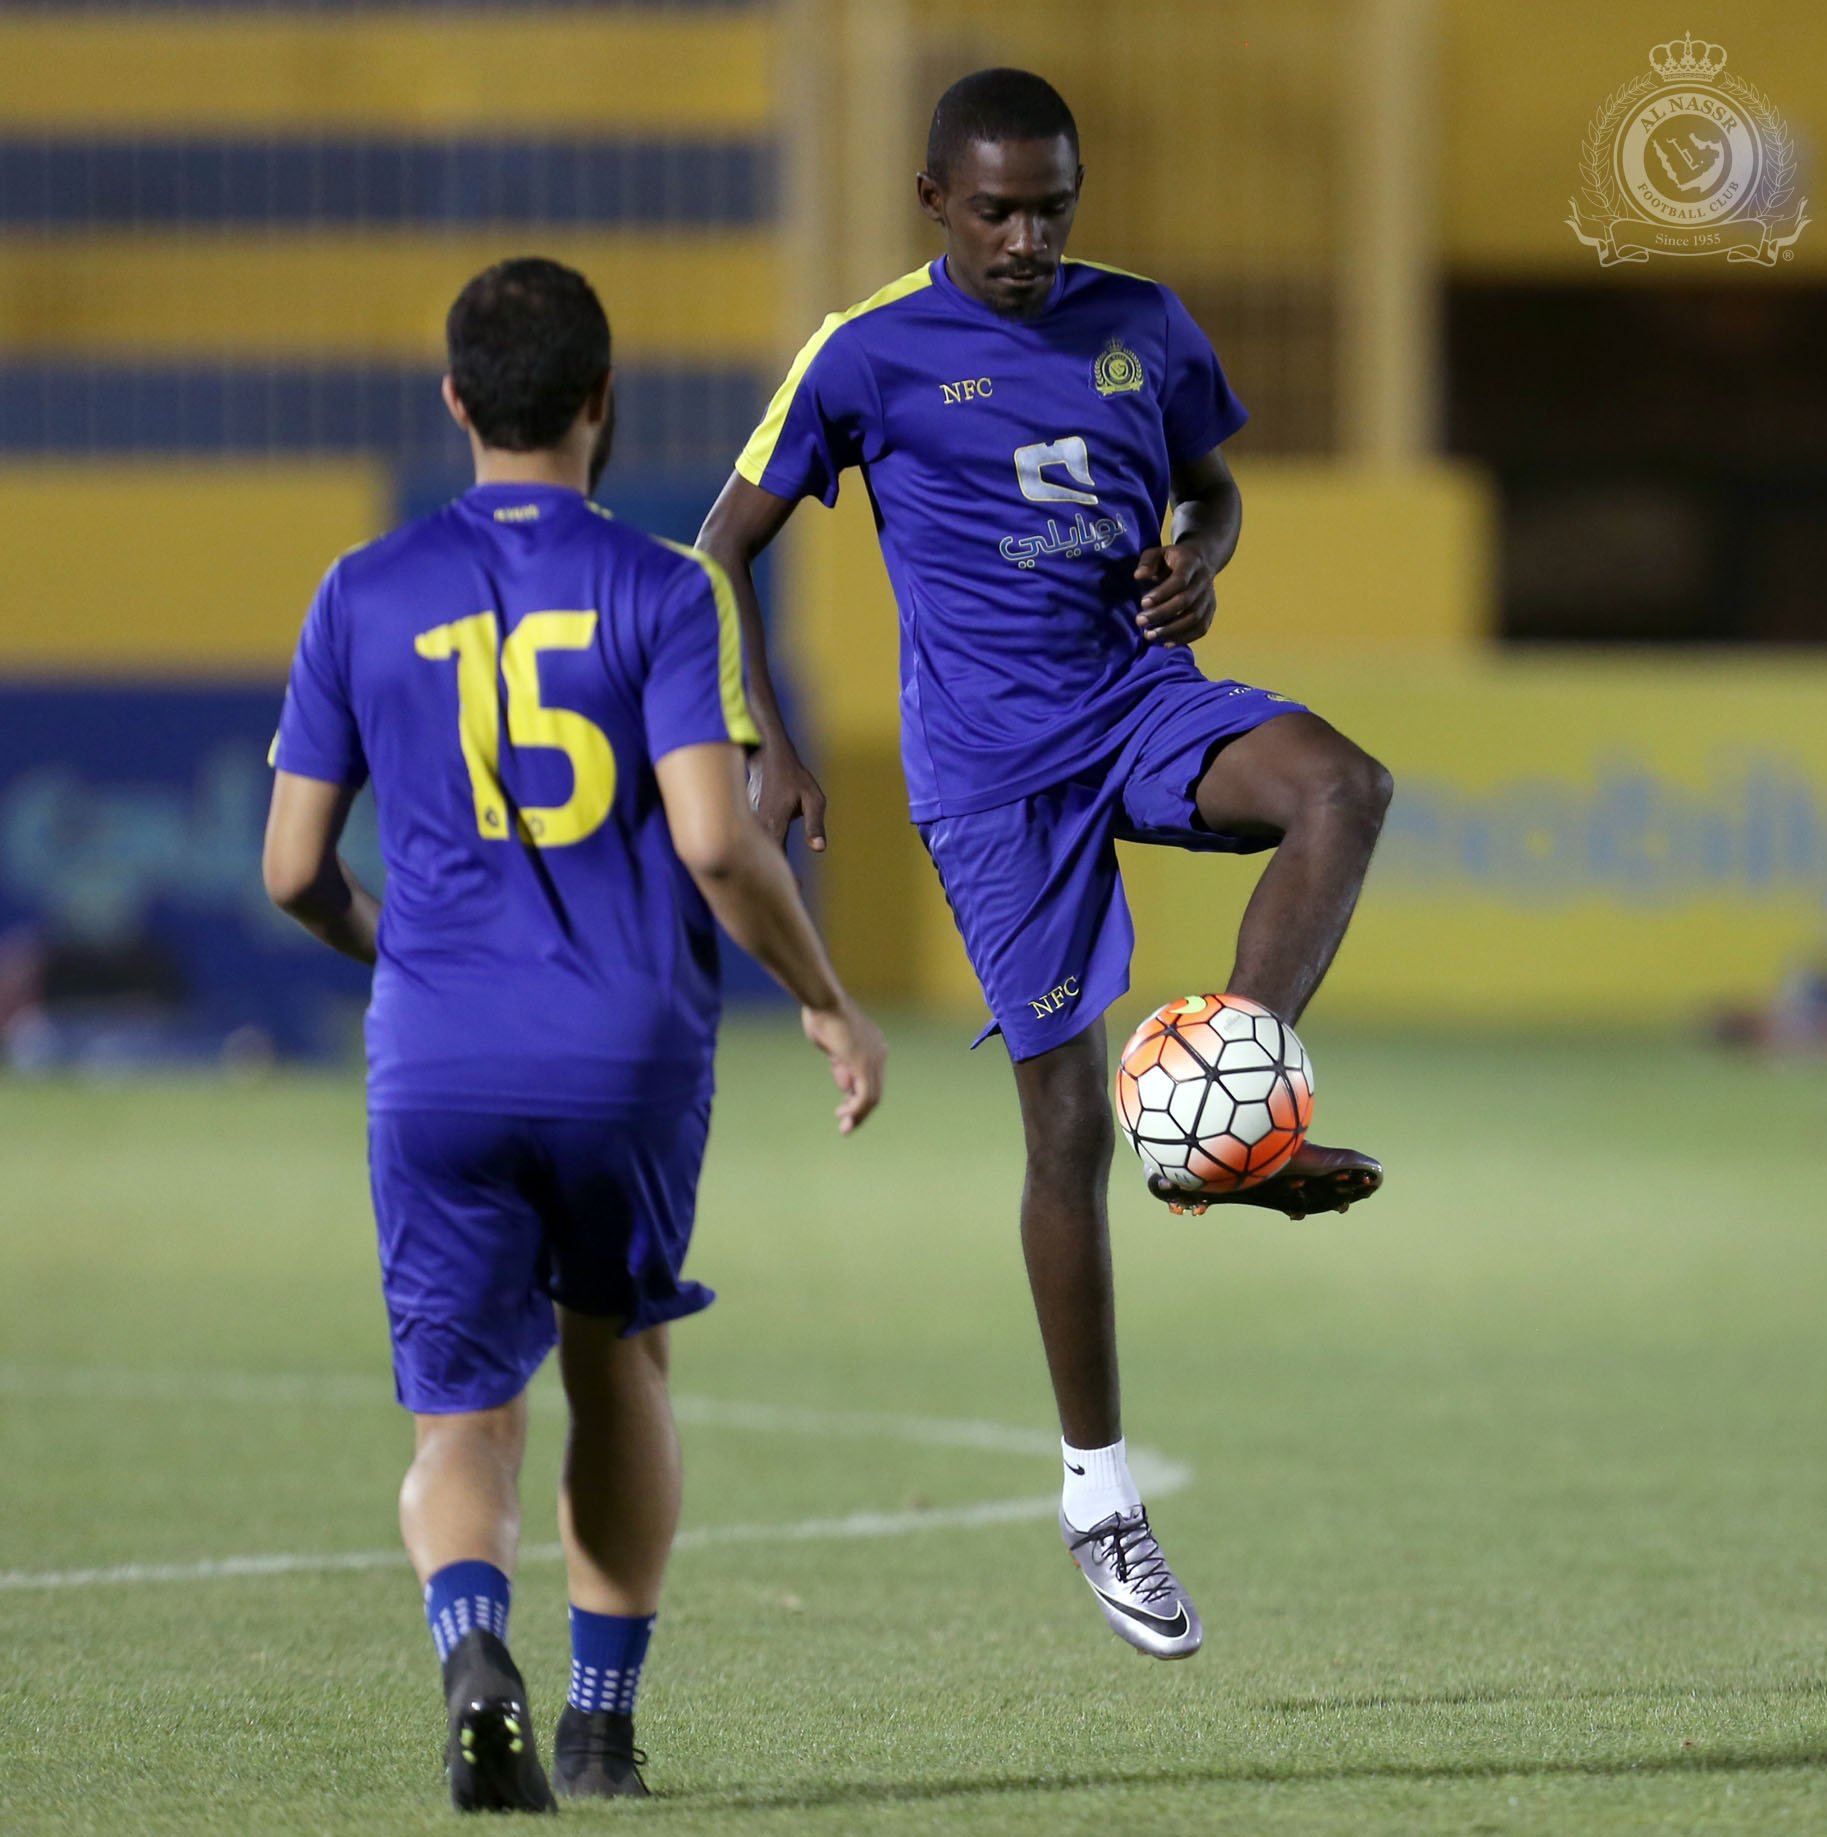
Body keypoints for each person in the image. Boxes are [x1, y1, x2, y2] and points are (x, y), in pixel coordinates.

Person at [696, 68, 1389, 1661]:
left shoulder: (1144, 322)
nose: (1027, 239)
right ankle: (1098, 1495)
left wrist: (1201, 558)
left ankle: (1231, 1103)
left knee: (1344, 785)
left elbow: (1213, 484)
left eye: (1053, 208)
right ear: (934, 200)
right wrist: (765, 738)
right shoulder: (865, 351)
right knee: (1067, 1125)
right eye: (997, 211)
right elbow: (721, 547)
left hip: (1137, 700)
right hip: (992, 773)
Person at [262, 256, 885, 1812]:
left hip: (438, 1057)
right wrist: (823, 995)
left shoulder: (360, 590)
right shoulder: (668, 590)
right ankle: (601, 1732)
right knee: (623, 1368)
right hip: (624, 1055)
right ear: (607, 398)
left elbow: (289, 870)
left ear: (455, 400)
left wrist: (403, 951)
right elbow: (720, 843)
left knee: (462, 1412)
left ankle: (475, 1646)